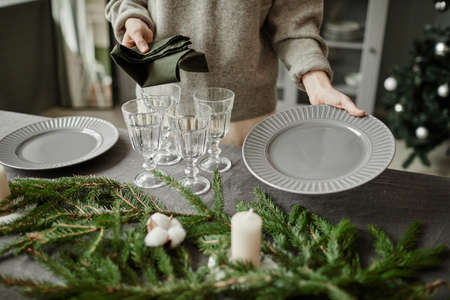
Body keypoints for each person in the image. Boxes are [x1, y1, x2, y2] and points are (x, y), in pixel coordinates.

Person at [106, 0, 365, 146]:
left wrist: (317, 81)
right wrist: (132, 18)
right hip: (163, 109)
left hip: (244, 118)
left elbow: (294, 27)